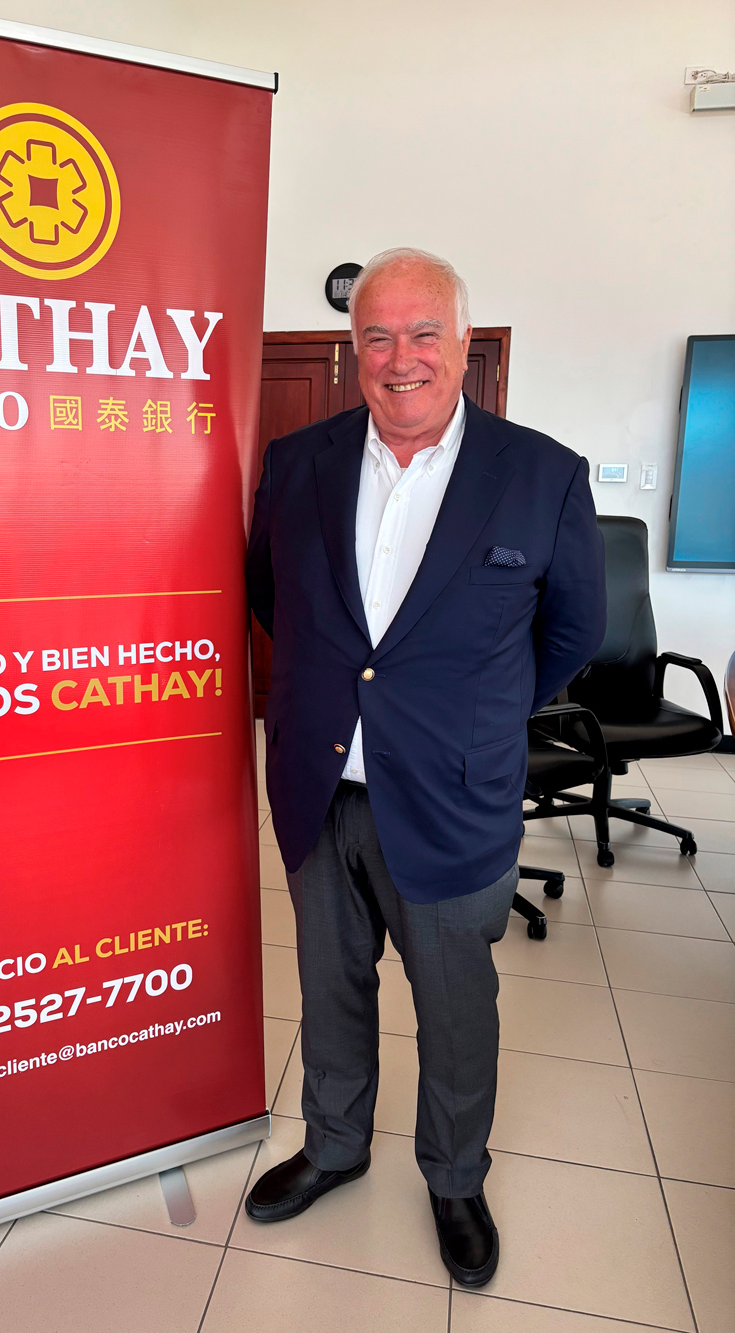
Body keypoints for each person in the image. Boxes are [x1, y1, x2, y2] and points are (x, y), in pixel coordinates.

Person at [244, 247, 606, 1287]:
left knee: (455, 1006)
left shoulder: (540, 474)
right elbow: (271, 596)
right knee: (328, 984)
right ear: (351, 349)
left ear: (462, 342)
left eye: (422, 333)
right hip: (320, 786)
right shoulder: (297, 462)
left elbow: (571, 631)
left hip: (454, 795)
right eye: (376, 336)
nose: (400, 357)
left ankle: (453, 1176)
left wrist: (475, 714)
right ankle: (334, 1143)